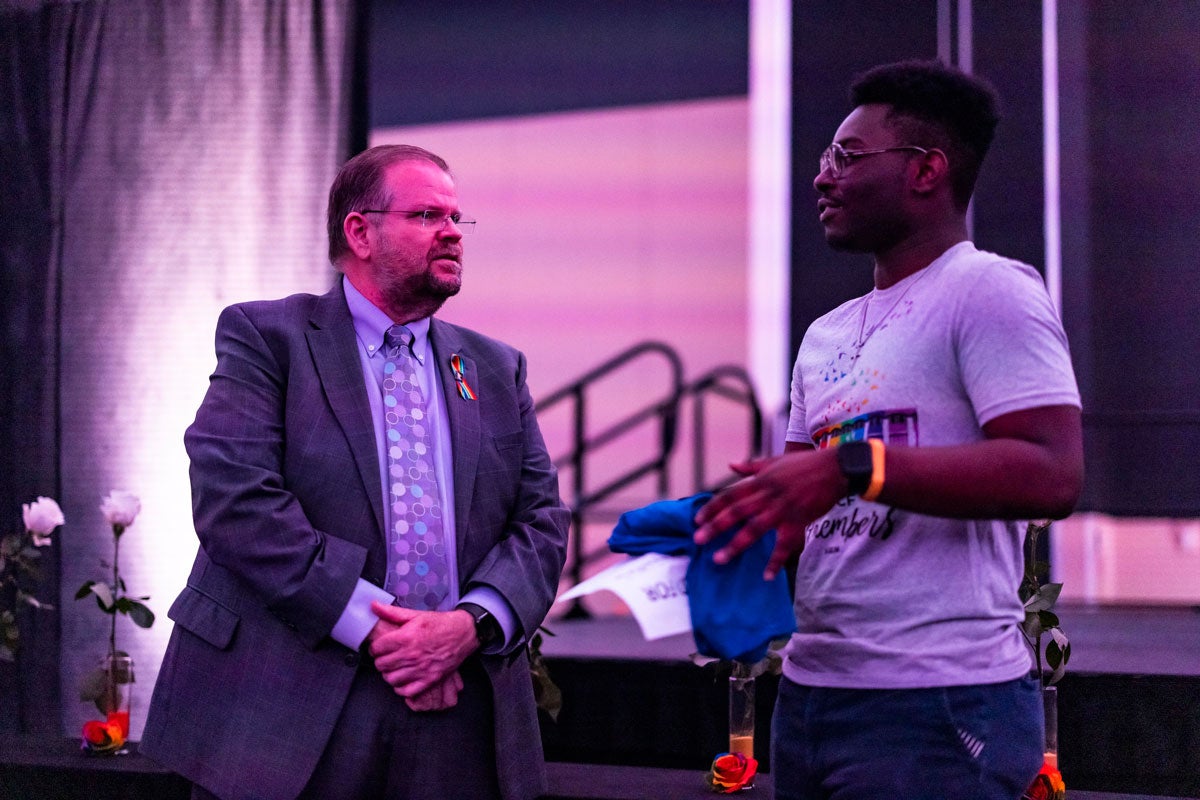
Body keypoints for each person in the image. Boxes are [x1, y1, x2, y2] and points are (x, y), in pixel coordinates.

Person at [694, 61, 1083, 799]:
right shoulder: (825, 334)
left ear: (926, 170)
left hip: (938, 705)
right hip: (810, 696)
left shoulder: (988, 290)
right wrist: (736, 534)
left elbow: (1052, 472)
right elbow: (801, 507)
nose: (822, 176)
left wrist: (851, 467)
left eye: (846, 155)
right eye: (822, 157)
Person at [141, 144, 570, 800]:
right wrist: (378, 627)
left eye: (457, 217)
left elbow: (539, 522)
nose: (453, 231)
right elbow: (236, 498)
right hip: (290, 706)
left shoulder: (495, 367)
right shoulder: (268, 338)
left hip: (461, 707)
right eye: (428, 214)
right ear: (360, 232)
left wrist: (467, 626)